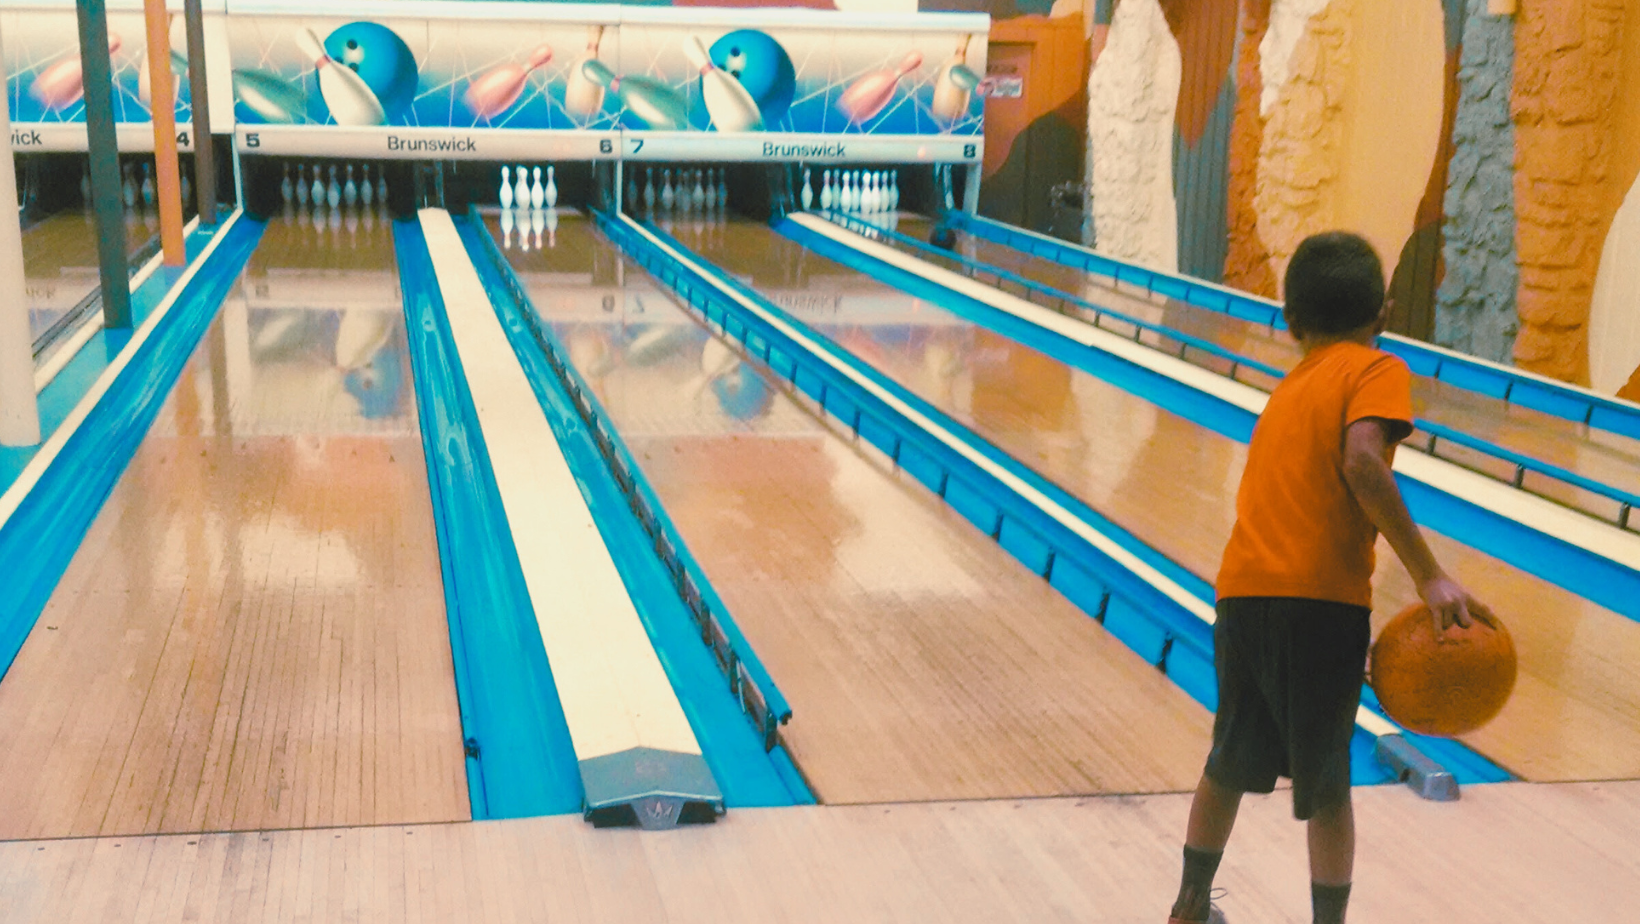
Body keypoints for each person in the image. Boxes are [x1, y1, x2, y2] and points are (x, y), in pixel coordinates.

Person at [1166, 232, 1494, 924]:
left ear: (1290, 322)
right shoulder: (1376, 368)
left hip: (1242, 596)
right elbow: (1363, 459)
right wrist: (1429, 575)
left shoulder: (1287, 389)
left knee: (1228, 758)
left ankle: (1190, 905)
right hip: (1321, 601)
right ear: (1384, 313)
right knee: (1328, 784)